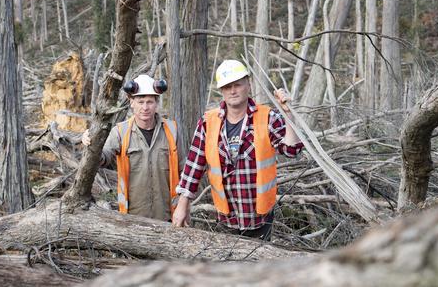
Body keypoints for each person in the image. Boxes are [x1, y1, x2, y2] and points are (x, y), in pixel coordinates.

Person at [172, 60, 303, 240]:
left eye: (237, 85)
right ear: (221, 90)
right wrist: (182, 204)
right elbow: (194, 165)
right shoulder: (208, 122)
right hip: (226, 217)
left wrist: (288, 114)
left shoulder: (268, 117)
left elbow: (291, 150)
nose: (232, 91)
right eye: (227, 87)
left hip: (259, 216)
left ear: (248, 84)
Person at [82, 74, 180, 221]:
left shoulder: (172, 130)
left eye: (149, 102)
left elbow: (185, 170)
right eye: (140, 102)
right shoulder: (120, 132)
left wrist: (183, 206)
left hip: (168, 215)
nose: (145, 107)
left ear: (156, 103)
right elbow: (104, 157)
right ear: (131, 102)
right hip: (132, 217)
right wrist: (91, 144)